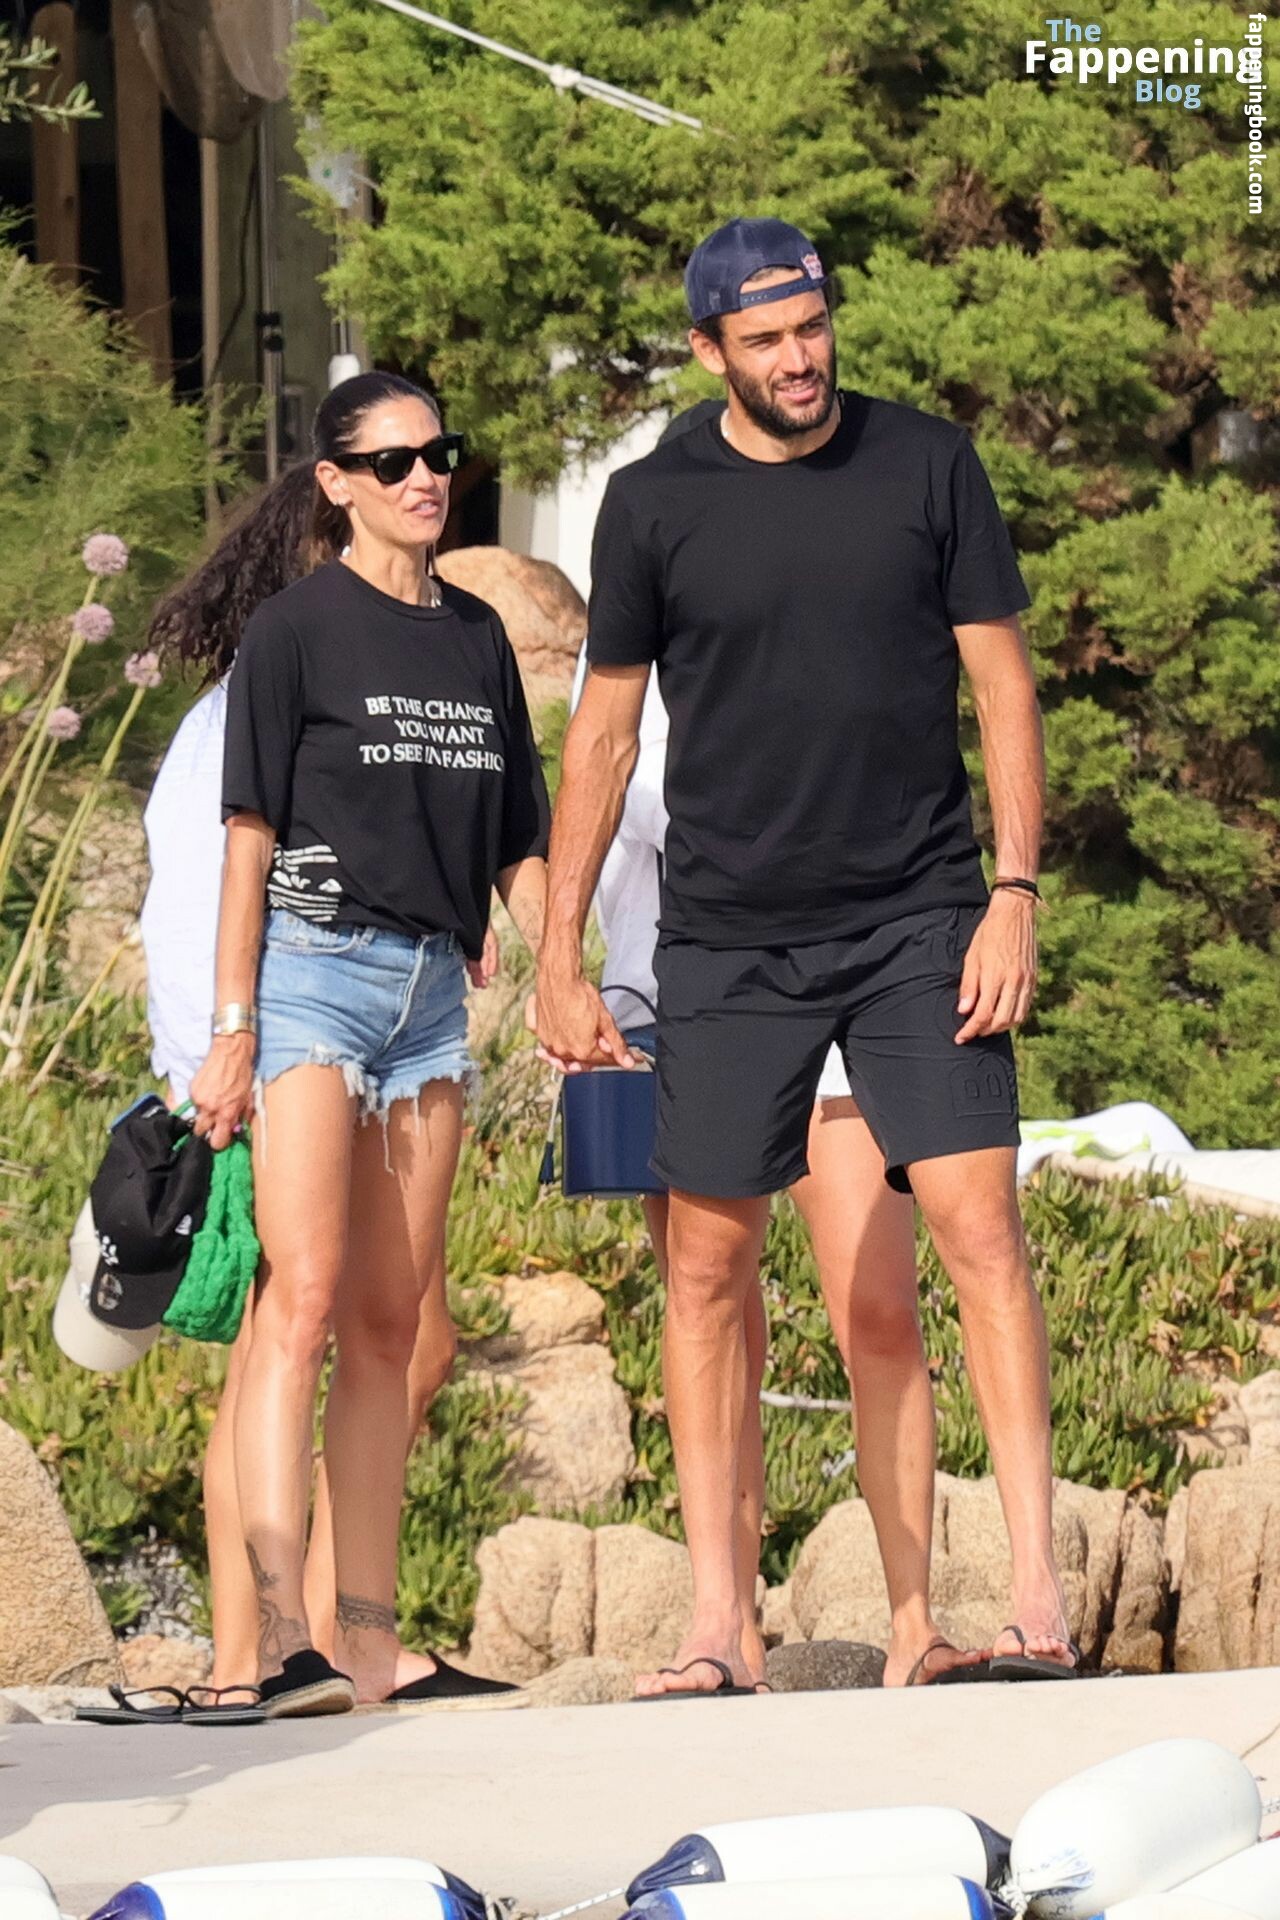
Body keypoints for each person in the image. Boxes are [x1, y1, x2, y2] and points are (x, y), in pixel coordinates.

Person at [538, 216, 1073, 1697]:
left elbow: (1003, 689)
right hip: (726, 936)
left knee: (978, 1232)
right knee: (708, 1268)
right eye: (765, 338)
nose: (798, 357)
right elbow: (603, 731)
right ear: (708, 349)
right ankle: (721, 1623)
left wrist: (1013, 891)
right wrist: (560, 950)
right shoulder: (651, 503)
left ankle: (1032, 1601)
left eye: (812, 325)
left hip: (919, 918)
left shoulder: (928, 465)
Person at [190, 371, 549, 1715]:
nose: (424, 477)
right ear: (337, 484)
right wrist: (232, 1028)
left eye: (438, 453)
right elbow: (248, 841)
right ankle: (284, 1633)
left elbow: (519, 838)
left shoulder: (477, 637)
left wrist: (567, 972)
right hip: (310, 981)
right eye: (392, 461)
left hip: (429, 1004)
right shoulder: (294, 633)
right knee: (304, 1296)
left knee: (393, 1325)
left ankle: (370, 1640)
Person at [569, 626, 976, 1691]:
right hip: (681, 998)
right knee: (711, 1305)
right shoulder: (638, 611)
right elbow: (617, 791)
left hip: (842, 978)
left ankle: (914, 1622)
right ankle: (724, 1624)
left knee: (877, 1307)